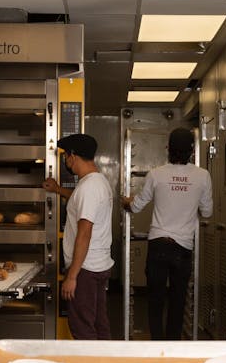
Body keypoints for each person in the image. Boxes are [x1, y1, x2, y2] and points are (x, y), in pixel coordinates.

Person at [122, 127, 213, 340]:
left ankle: (156, 344)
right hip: (183, 248)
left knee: (155, 299)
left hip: (158, 246)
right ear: (192, 150)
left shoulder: (156, 174)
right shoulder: (202, 176)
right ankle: (173, 344)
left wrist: (127, 201)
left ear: (168, 149)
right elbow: (207, 212)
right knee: (178, 299)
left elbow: (135, 207)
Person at [42, 132, 114, 340]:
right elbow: (79, 202)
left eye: (65, 156)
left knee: (82, 328)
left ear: (73, 156)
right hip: (98, 266)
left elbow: (84, 233)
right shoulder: (98, 182)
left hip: (85, 269)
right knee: (99, 324)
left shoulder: (89, 187)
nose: (65, 160)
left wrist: (72, 276)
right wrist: (57, 189)